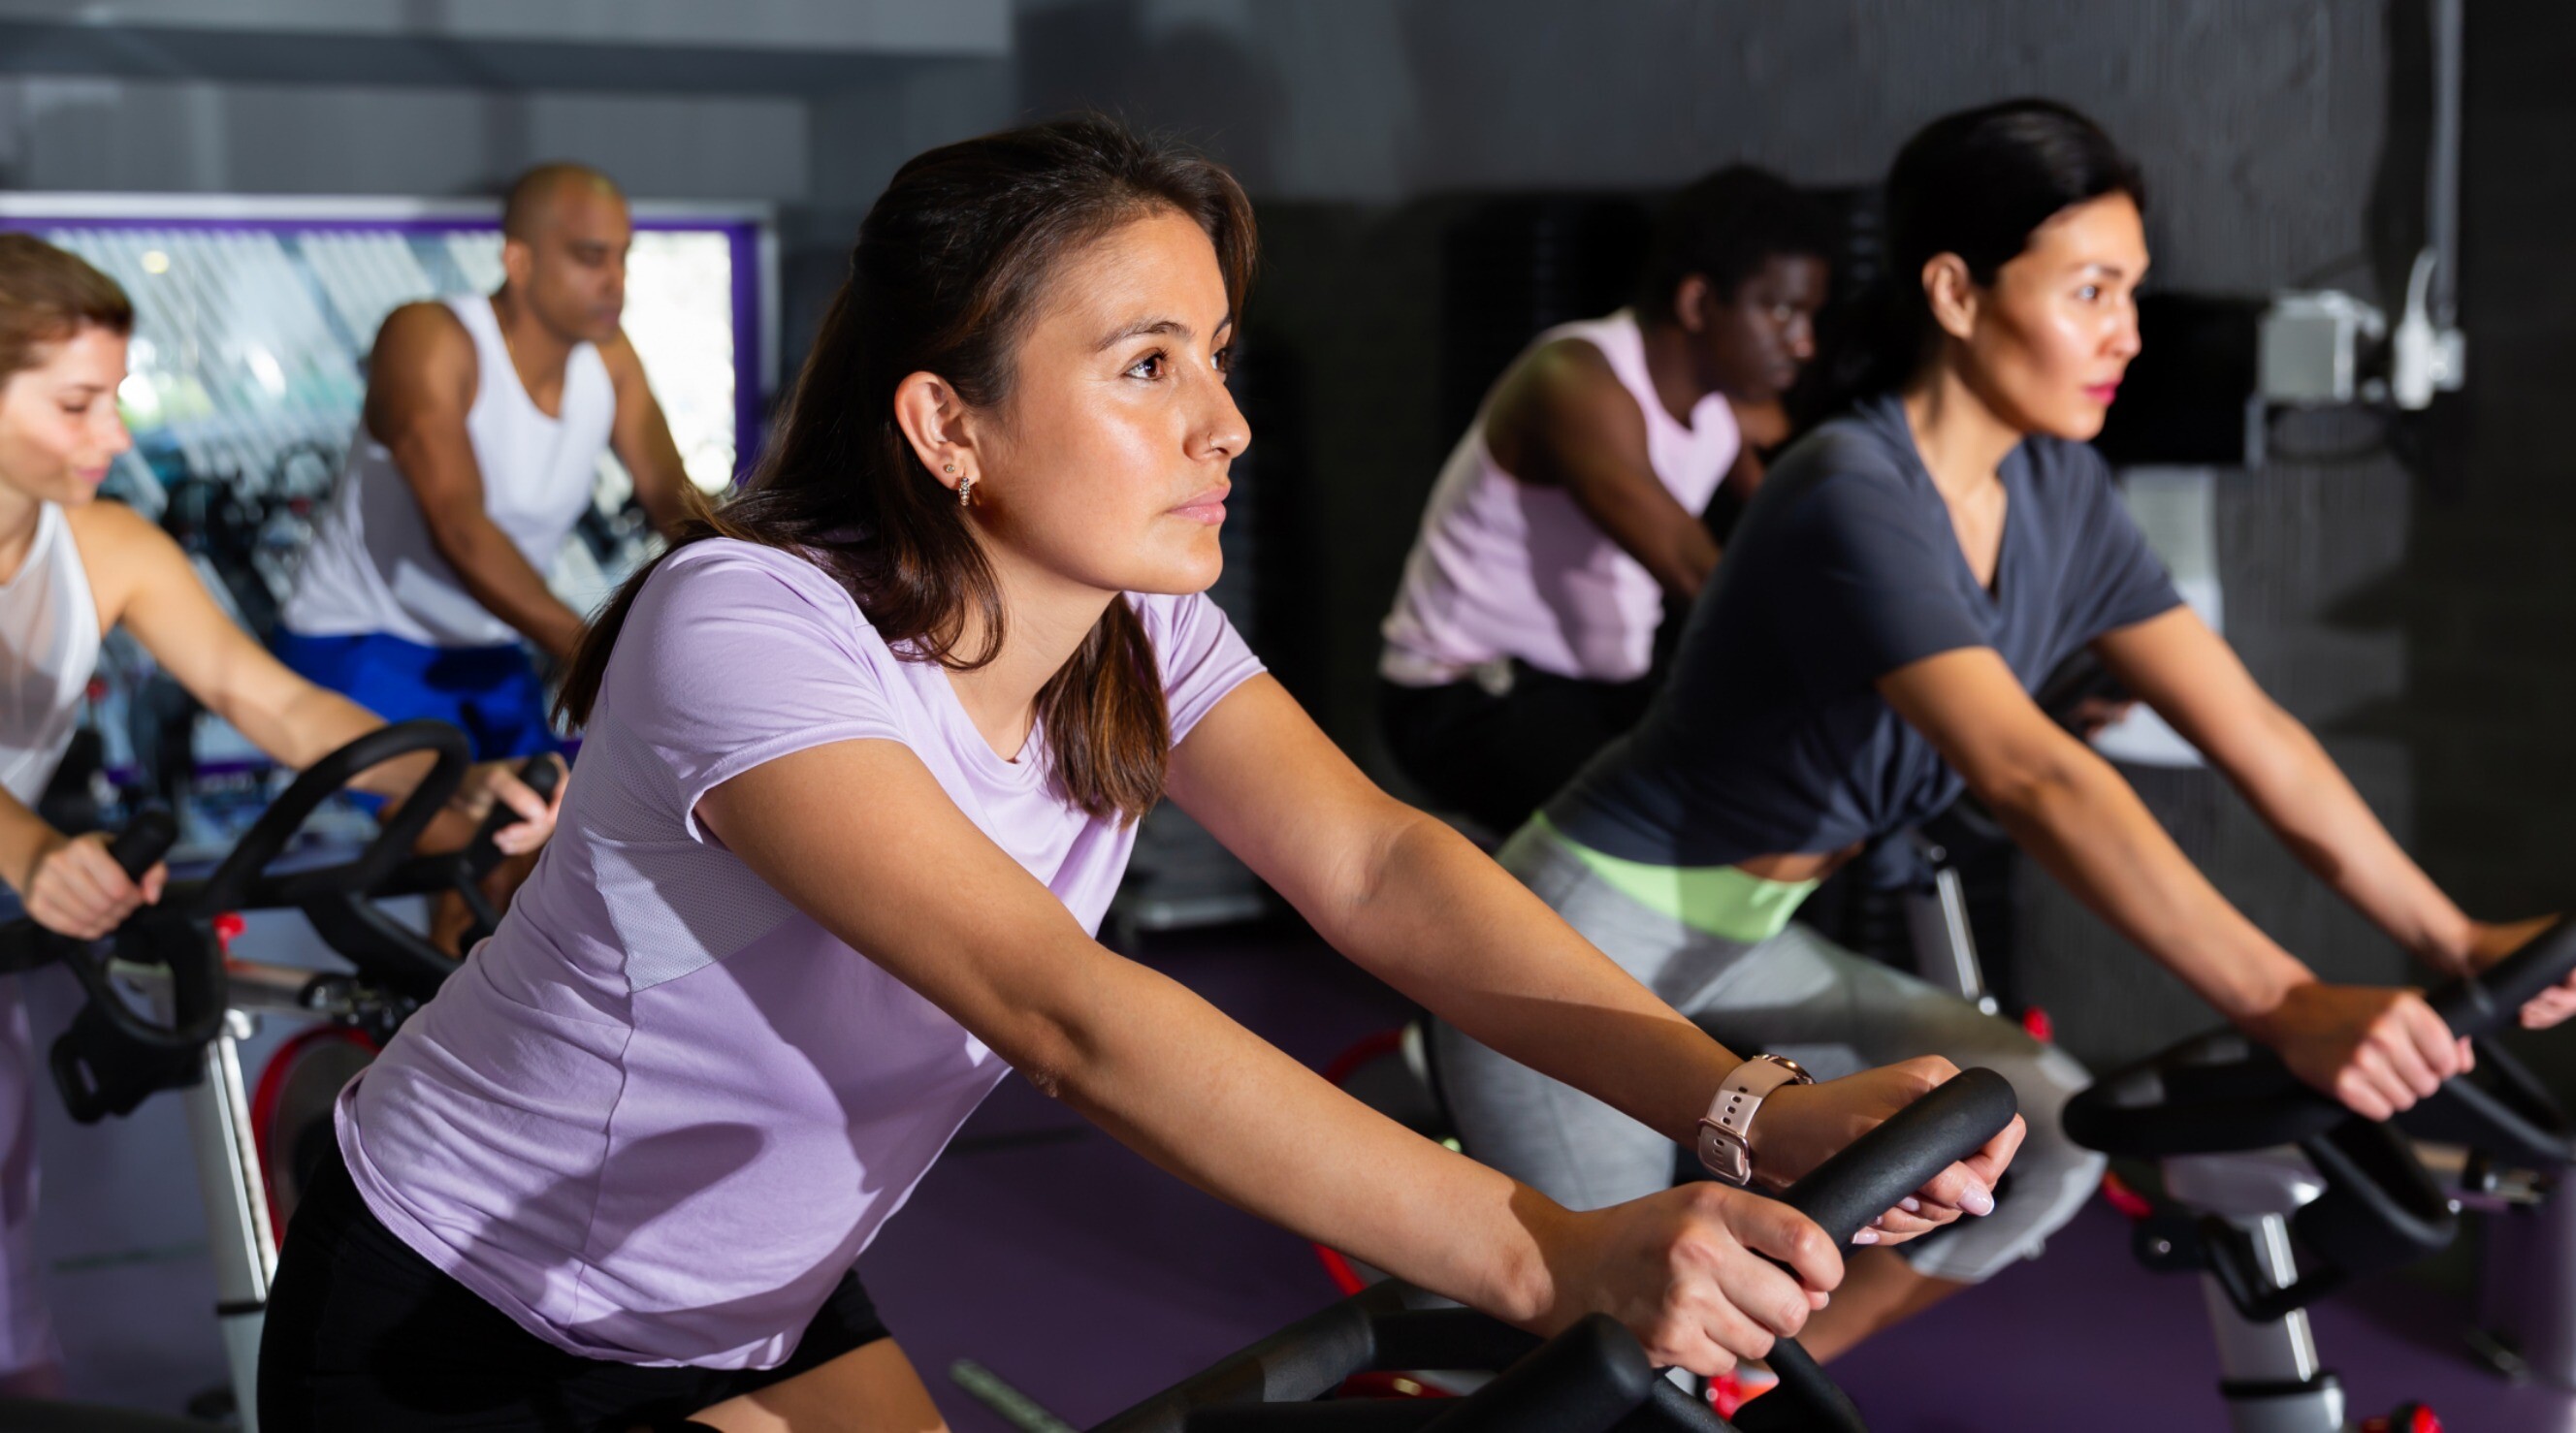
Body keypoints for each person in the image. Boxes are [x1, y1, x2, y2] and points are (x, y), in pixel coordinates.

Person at [257, 117, 2020, 1433]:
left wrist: (1742, 1106)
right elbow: (1063, 1013)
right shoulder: (748, 624)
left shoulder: (1132, 631)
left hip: (757, 1295)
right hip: (463, 1312)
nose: (1225, 423)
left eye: (1218, 363)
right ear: (948, 426)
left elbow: (1381, 873)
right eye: (1146, 365)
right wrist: (1551, 1256)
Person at [1430, 97, 2576, 1368]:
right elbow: (2033, 774)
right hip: (1572, 944)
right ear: (1958, 294)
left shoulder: (2058, 490)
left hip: (1739, 946)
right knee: (1619, 1351)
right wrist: (2284, 999)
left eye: (2133, 291)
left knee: (2034, 1127)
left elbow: (2254, 728)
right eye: (2090, 290)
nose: (2126, 333)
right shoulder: (1850, 492)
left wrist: (2452, 933)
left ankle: (1748, 1386)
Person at [0, 234, 563, 1398]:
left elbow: (270, 699)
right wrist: (33, 849)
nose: (115, 437)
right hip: (20, 870)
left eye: (114, 398)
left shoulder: (106, 545)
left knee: (6, 1181)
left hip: (15, 908)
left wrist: (444, 789)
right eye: (76, 404)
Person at [1376, 167, 1832, 836]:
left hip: (1597, 692)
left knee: (1773, 790)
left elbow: (1811, 521)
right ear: (1700, 303)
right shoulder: (1575, 379)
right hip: (1466, 695)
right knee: (1671, 822)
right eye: (1782, 311)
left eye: (1811, 316)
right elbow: (1694, 569)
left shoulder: (1733, 405)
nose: (1804, 343)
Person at [274, 161, 692, 762]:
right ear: (518, 261)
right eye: (589, 257)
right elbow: (459, 526)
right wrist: (593, 651)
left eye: (623, 257)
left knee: (548, 827)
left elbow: (672, 499)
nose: (615, 281)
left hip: (486, 642)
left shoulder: (610, 359)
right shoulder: (429, 337)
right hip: (357, 636)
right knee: (470, 832)